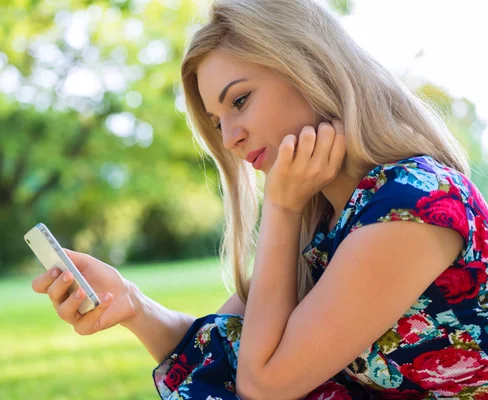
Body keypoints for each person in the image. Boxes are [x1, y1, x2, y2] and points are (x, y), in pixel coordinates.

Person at [31, 0, 488, 398]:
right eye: (215, 121)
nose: (230, 138)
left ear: (310, 67)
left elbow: (264, 385)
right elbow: (228, 353)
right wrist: (131, 304)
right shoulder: (327, 220)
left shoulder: (416, 204)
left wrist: (282, 208)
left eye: (241, 100)